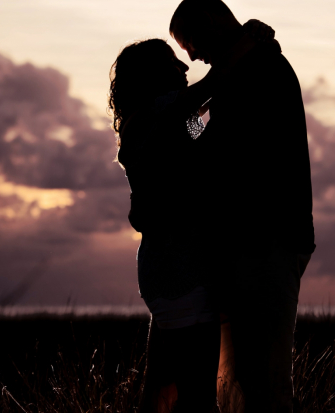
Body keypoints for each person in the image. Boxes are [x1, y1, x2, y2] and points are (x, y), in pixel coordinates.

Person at [108, 22, 276, 412]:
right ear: (152, 75)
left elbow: (201, 121)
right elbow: (210, 88)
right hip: (180, 271)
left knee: (173, 393)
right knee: (197, 399)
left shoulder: (160, 123)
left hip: (168, 268)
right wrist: (248, 43)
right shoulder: (158, 114)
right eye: (172, 63)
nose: (184, 69)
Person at [169, 0, 316, 413]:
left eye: (191, 41)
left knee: (262, 385)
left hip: (265, 244)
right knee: (239, 384)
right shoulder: (239, 72)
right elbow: (195, 130)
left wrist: (189, 120)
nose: (194, 56)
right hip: (252, 247)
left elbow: (201, 137)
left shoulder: (258, 70)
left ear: (215, 20)